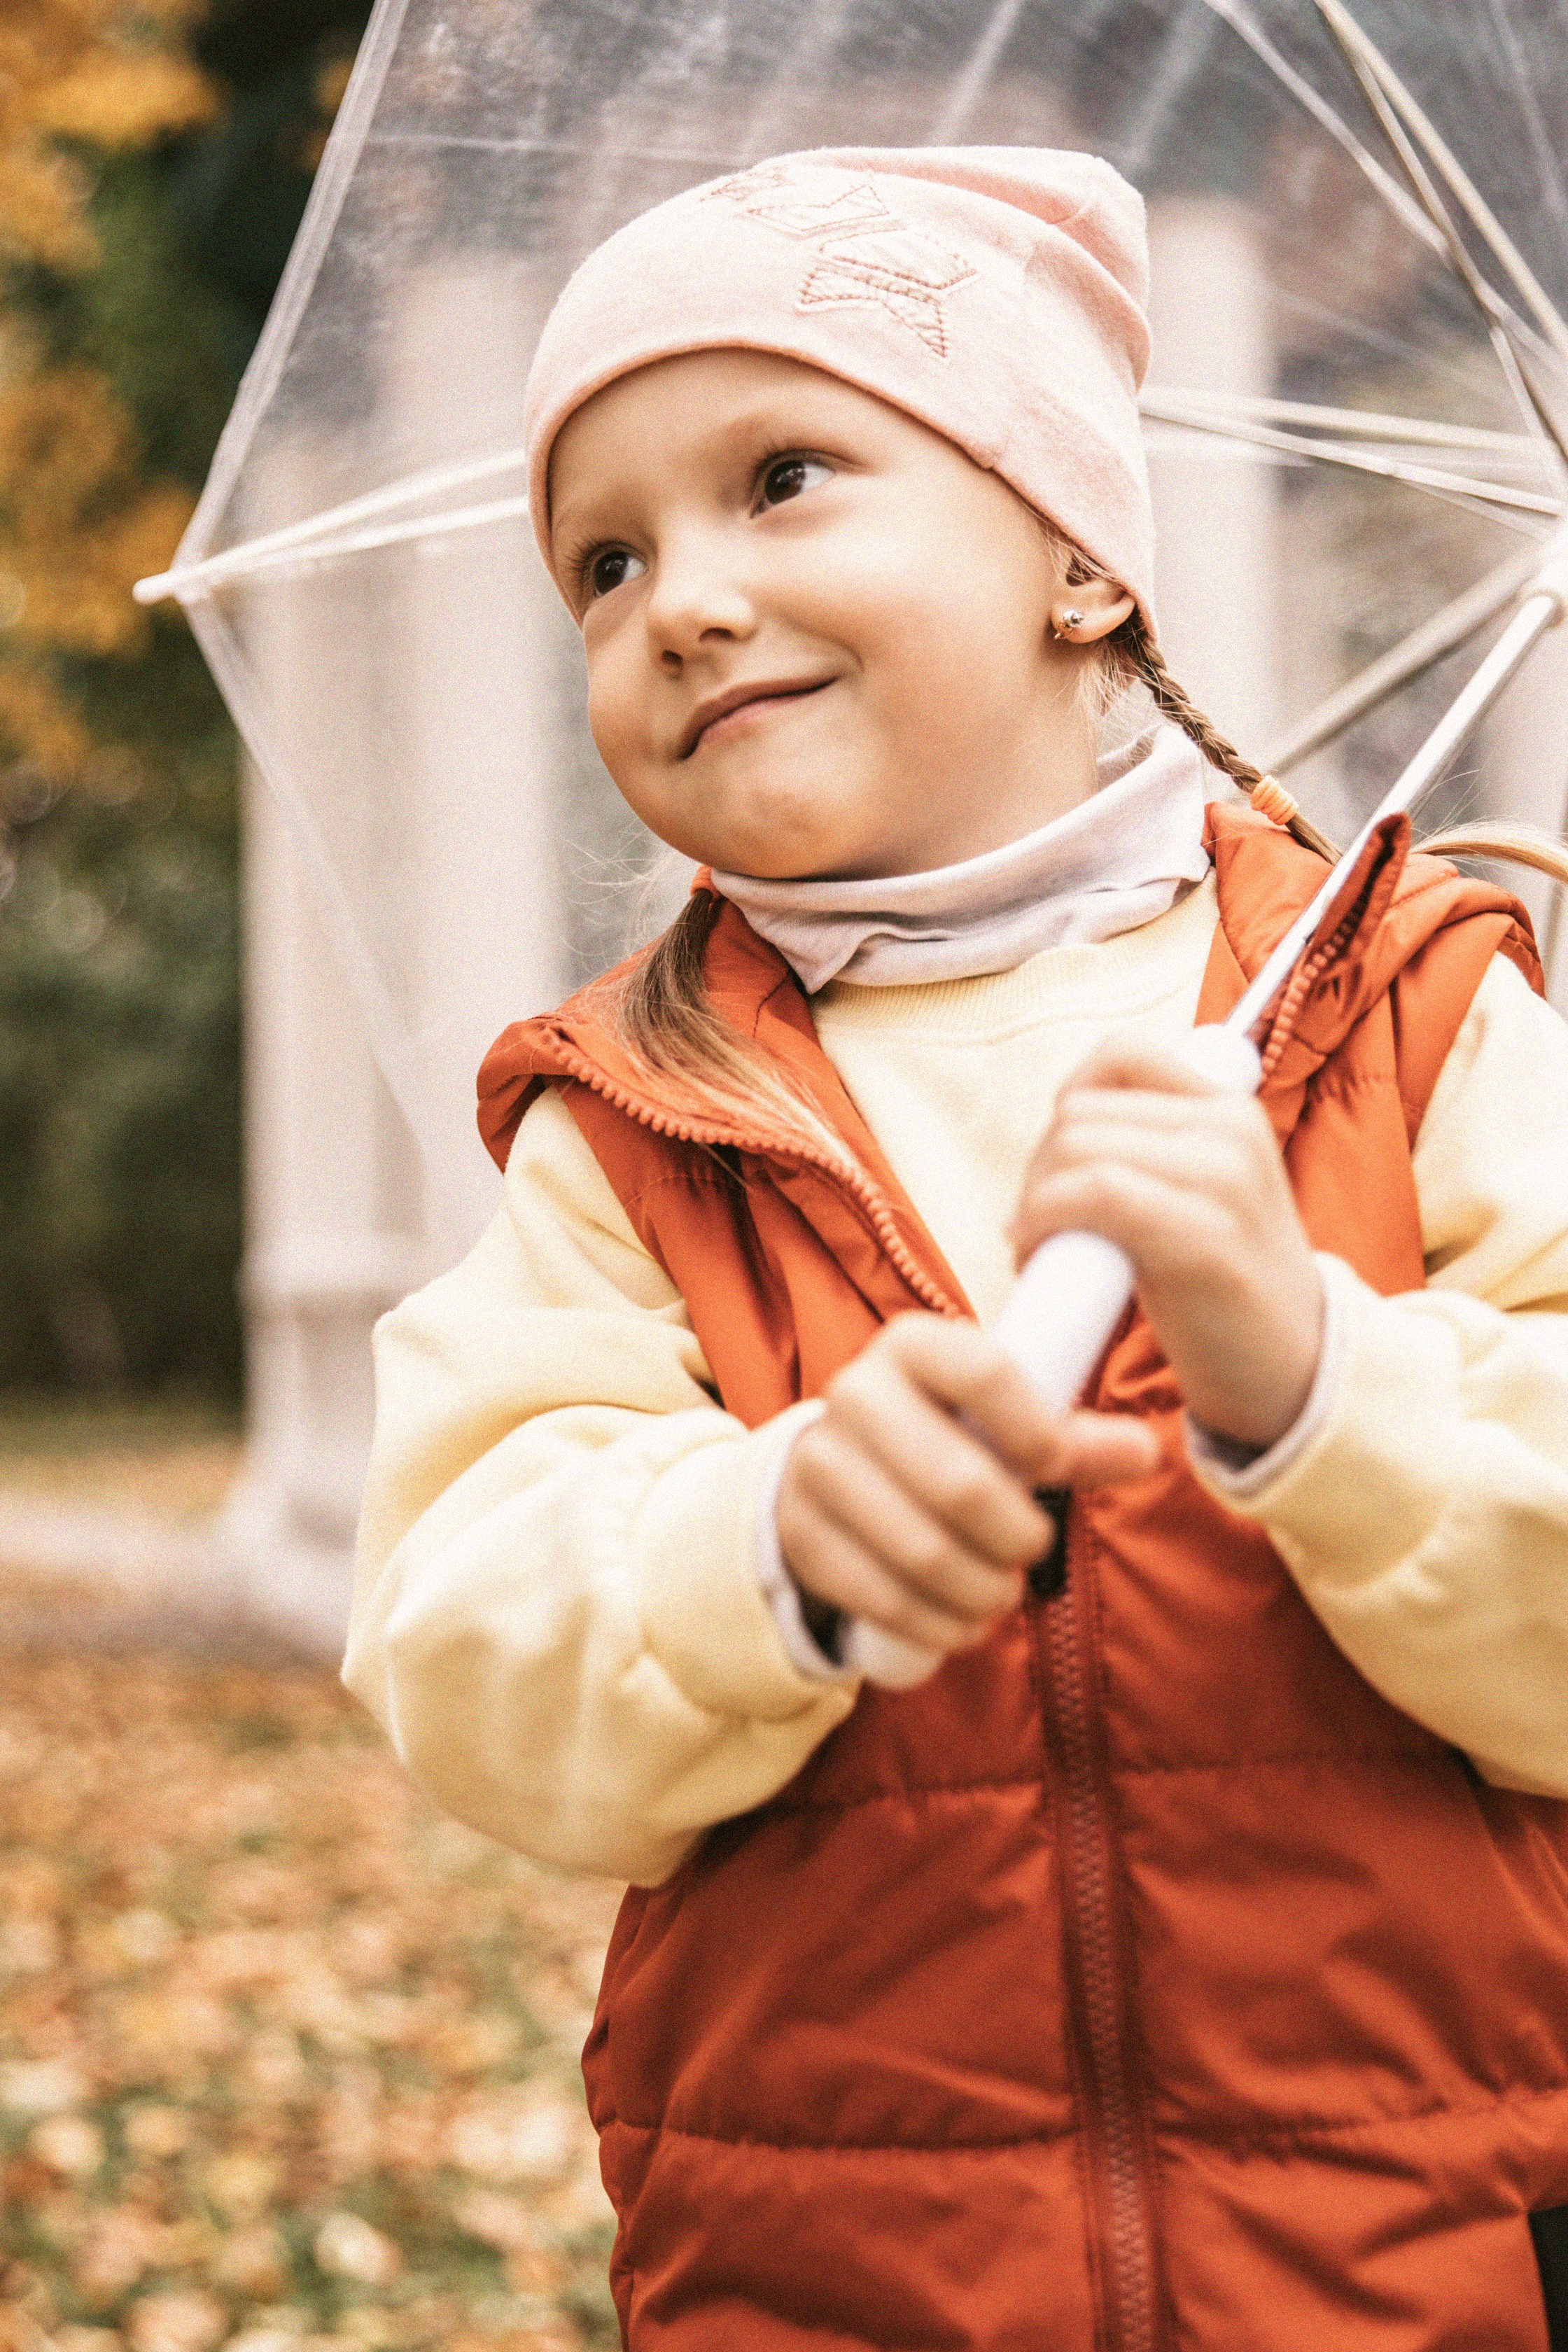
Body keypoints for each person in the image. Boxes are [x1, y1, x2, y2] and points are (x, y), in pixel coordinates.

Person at [344, 148, 1568, 2349]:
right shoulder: (637, 1128)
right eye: (603, 563)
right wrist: (772, 1541)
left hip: (1418, 2247)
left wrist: (1310, 1376)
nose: (679, 602)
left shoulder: (1410, 1005)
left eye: (780, 477)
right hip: (835, 2268)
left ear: (1078, 561)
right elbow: (464, 1632)